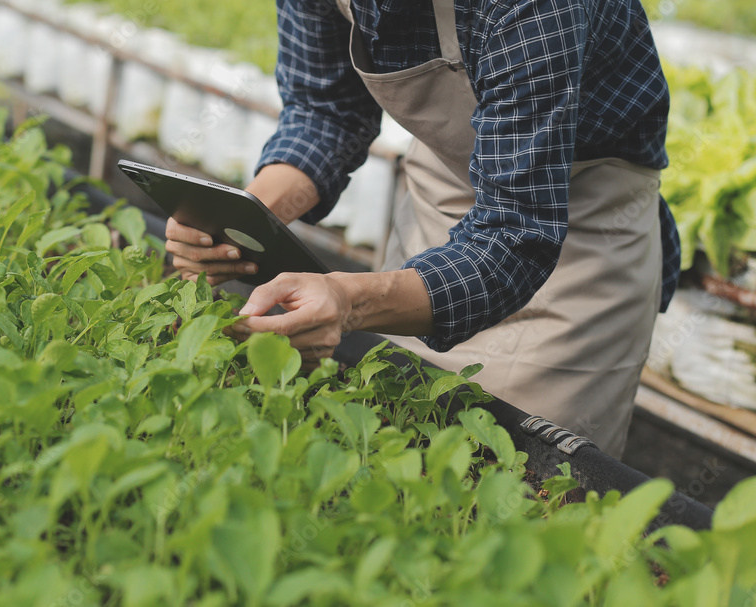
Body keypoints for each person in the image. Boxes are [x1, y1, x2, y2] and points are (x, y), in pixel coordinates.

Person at [164, 0, 679, 458]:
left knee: (518, 476)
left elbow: (516, 233)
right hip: (447, 186)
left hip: (581, 225)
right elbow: (327, 113)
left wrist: (350, 302)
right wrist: (242, 215)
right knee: (394, 437)